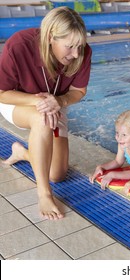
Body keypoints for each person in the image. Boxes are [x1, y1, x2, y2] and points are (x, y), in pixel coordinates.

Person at [0, 7, 92, 220]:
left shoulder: (82, 52)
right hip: (17, 101)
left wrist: (58, 101)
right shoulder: (19, 45)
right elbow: (2, 93)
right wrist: (38, 101)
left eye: (79, 46)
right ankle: (44, 194)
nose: (76, 54)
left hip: (55, 104)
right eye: (69, 47)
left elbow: (79, 91)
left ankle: (23, 153)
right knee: (41, 118)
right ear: (51, 37)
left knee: (57, 174)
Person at [89, 110, 130, 189]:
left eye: (124, 135)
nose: (119, 138)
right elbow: (118, 162)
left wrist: (112, 174)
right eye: (117, 133)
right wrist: (101, 167)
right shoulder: (123, 144)